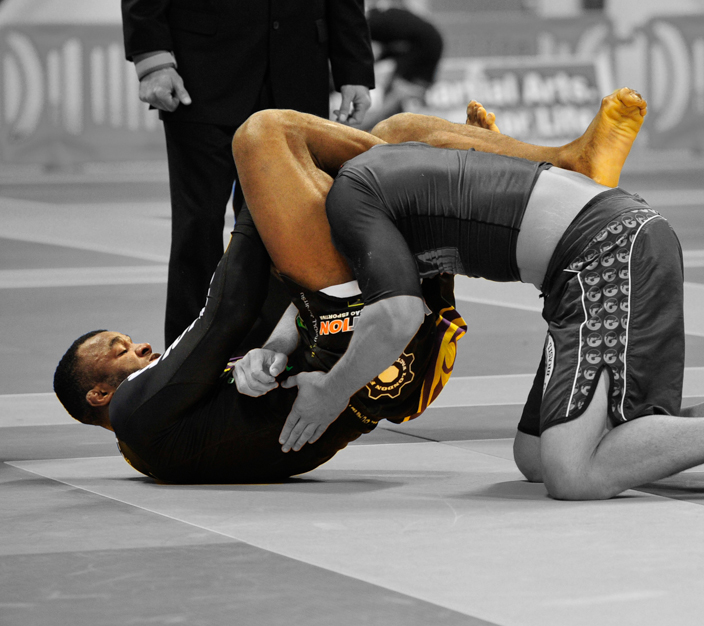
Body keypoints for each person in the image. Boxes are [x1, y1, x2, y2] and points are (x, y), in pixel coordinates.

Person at [241, 88, 704, 501]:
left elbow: (396, 316)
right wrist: (278, 344)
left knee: (574, 473)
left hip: (607, 251)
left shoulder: (355, 195)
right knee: (534, 455)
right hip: (599, 255)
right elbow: (343, 298)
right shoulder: (379, 177)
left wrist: (331, 391)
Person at [51, 90, 640, 484]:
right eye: (116, 350)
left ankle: (526, 164)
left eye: (125, 339)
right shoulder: (134, 414)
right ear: (97, 395)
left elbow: (251, 341)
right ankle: (543, 165)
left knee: (401, 130)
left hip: (377, 356)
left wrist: (268, 354)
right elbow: (224, 312)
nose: (137, 346)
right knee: (261, 137)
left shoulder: (171, 430)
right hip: (359, 349)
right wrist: (259, 207)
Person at [121, 0, 375, 348]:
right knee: (198, 226)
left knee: (288, 229)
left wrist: (354, 69)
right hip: (203, 72)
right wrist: (151, 59)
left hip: (298, 68)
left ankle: (271, 355)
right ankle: (186, 360)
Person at [360, 0, 444, 130]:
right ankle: (381, 126)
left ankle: (370, 128)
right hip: (417, 42)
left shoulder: (368, 24)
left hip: (423, 45)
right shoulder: (375, 20)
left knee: (398, 92)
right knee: (396, 90)